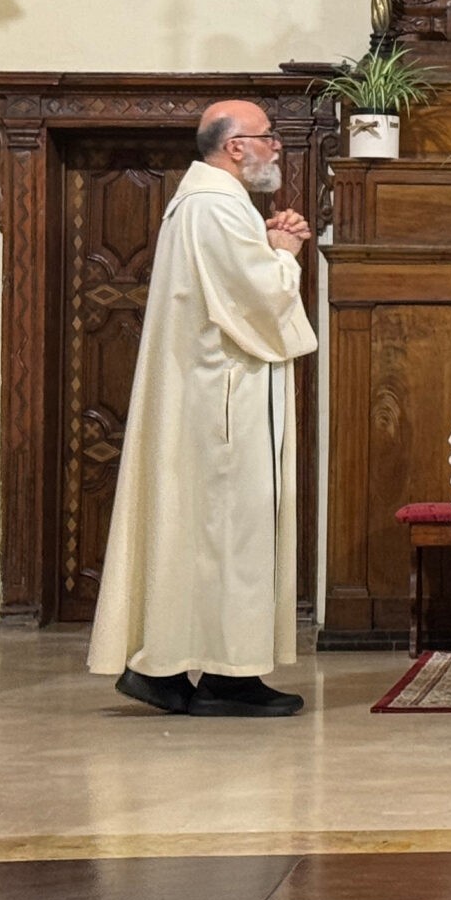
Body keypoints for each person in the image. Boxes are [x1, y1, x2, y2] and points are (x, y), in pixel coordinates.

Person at [88, 102, 317, 718]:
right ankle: (224, 676)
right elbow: (257, 299)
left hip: (214, 395)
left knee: (204, 536)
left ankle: (168, 667)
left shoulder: (208, 202)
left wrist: (266, 243)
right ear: (235, 147)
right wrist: (285, 252)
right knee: (228, 536)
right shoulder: (215, 206)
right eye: (268, 138)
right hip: (225, 403)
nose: (276, 148)